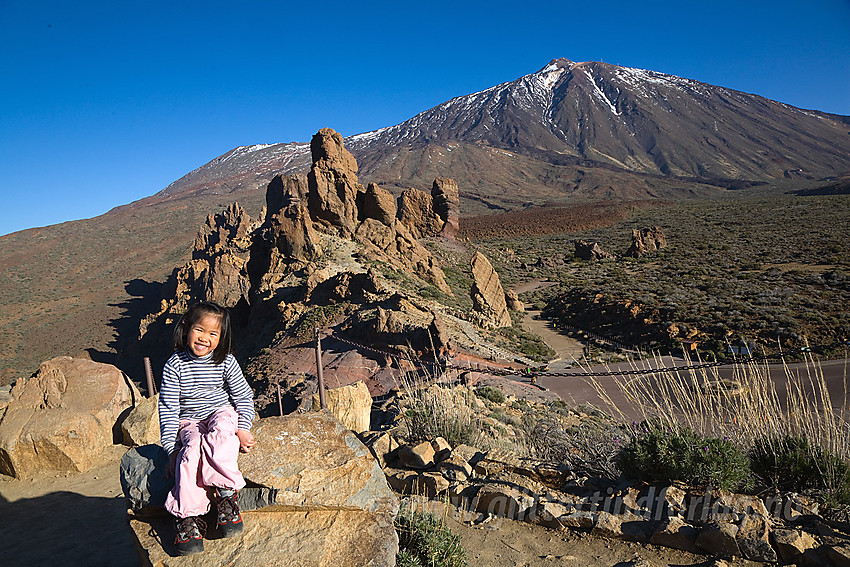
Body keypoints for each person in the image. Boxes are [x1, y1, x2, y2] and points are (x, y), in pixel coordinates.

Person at [158, 301, 256, 556]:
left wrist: (243, 428)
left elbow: (243, 396)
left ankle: (226, 495)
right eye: (199, 330)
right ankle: (188, 517)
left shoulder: (226, 361)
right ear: (186, 328)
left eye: (213, 334)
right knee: (189, 455)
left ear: (222, 337)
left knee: (222, 437)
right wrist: (171, 449)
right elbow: (168, 409)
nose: (204, 338)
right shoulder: (174, 365)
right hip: (189, 421)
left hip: (220, 412)